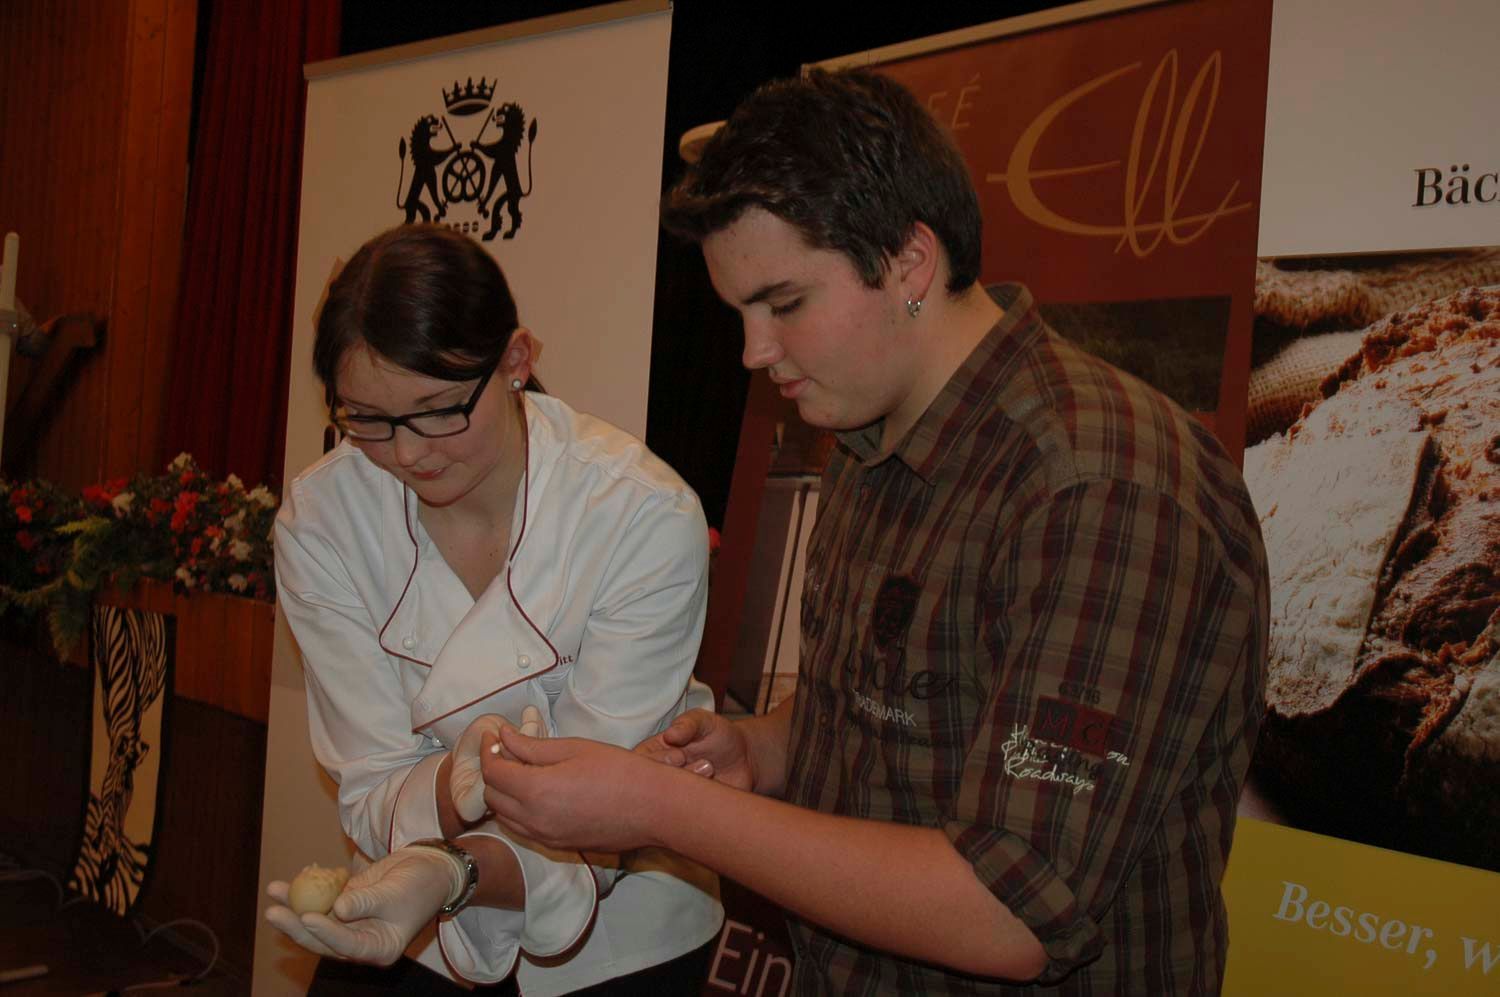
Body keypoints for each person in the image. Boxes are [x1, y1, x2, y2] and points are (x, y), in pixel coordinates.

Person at [477, 68, 1270, 995]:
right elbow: (893, 708)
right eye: (740, 314)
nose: (754, 353)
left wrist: (658, 807)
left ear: (909, 264)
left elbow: (1012, 909)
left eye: (785, 304)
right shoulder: (865, 438)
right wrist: (764, 749)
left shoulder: (1104, 489)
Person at [263, 223, 723, 995]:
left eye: (440, 409)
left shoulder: (639, 512)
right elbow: (372, 776)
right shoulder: (323, 520)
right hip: (414, 908)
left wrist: (450, 868)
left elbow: (600, 816)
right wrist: (455, 788)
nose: (409, 453)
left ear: (516, 360)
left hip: (620, 928)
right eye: (367, 419)